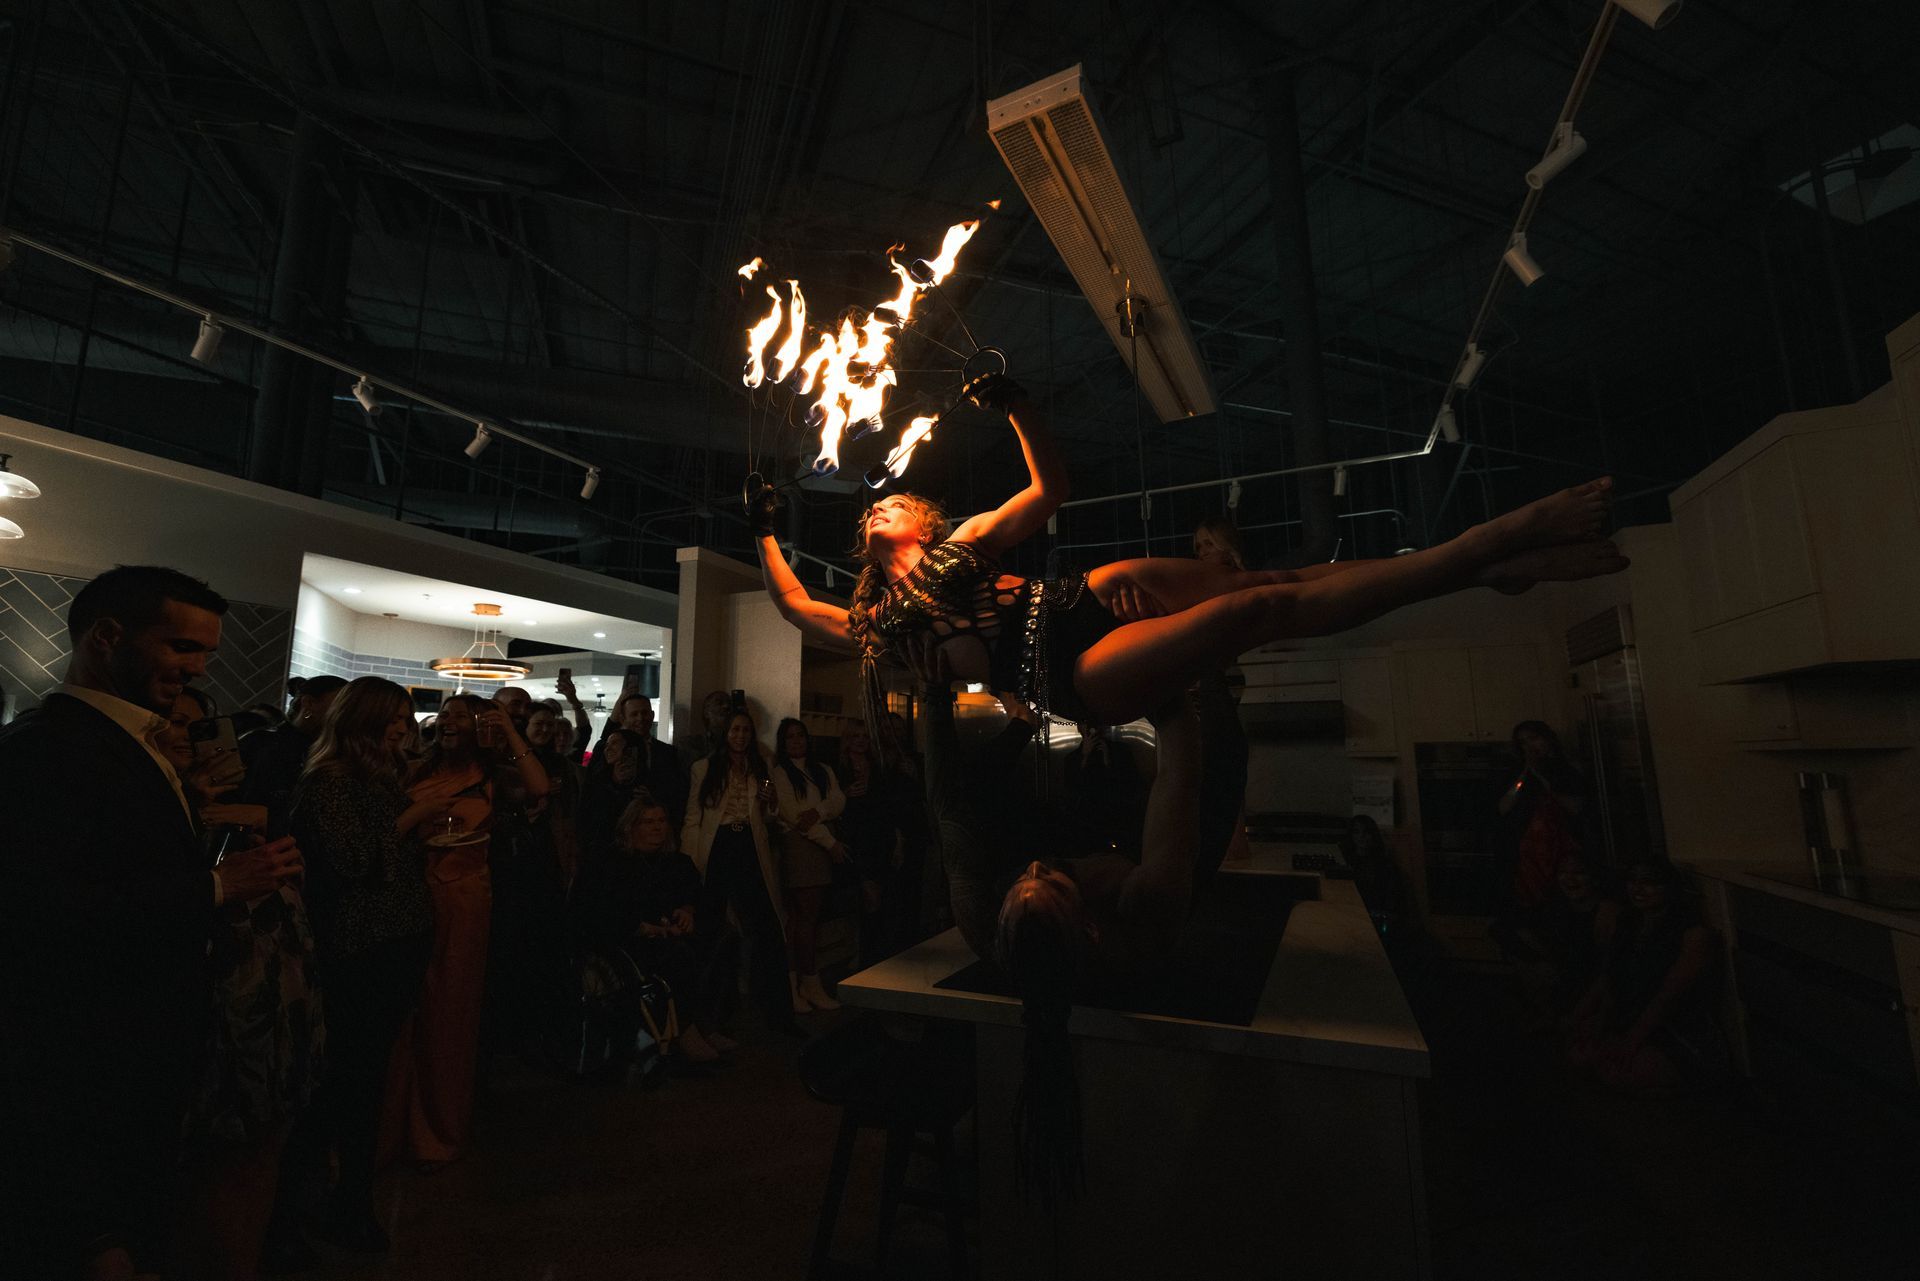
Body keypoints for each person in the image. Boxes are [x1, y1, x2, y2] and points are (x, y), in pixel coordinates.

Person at [751, 372, 1624, 759]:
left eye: (889, 503)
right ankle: (1482, 549)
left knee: (1271, 583)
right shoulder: (872, 624)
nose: (877, 508)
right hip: (1071, 669)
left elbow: (1049, 488)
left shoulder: (964, 541)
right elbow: (793, 605)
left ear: (922, 519)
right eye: (872, 509)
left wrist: (1016, 406)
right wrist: (761, 531)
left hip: (1080, 596)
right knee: (1257, 617)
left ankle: (1483, 566)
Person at [0, 565, 301, 1281]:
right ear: (106, 638)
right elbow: (38, 911)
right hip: (85, 1065)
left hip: (138, 1059)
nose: (196, 669)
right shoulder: (45, 747)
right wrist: (219, 883)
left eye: (206, 654)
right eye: (181, 648)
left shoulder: (132, 741)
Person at [157, 688, 325, 1281]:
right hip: (200, 985)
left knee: (252, 1139)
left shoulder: (230, 793)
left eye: (198, 726)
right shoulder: (151, 798)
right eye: (175, 722)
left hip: (258, 979)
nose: (186, 736)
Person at [280, 677, 433, 1256]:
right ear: (364, 720)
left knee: (363, 1081)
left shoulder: (376, 778)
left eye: (405, 717)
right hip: (361, 951)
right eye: (394, 718)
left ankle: (346, 1205)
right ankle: (310, 1216)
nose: (403, 727)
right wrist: (416, 815)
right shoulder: (330, 783)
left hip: (392, 947)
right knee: (344, 1083)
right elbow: (353, 861)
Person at [386, 693, 548, 1168]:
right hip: (411, 891)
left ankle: (436, 1128)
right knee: (403, 1011)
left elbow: (539, 788)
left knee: (449, 1012)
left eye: (466, 715)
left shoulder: (492, 776)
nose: (452, 720)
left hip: (465, 900)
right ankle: (388, 1127)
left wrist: (510, 732)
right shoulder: (413, 768)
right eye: (447, 714)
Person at [572, 796, 740, 1064]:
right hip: (631, 938)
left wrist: (688, 911)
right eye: (648, 822)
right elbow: (598, 910)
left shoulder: (676, 862)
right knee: (679, 955)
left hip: (672, 929)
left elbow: (697, 894)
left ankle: (709, 1022)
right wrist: (641, 927)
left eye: (661, 821)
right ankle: (686, 1030)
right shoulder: (613, 864)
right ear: (632, 827)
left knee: (724, 938)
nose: (657, 827)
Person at [681, 707, 799, 1034]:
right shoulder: (703, 768)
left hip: (748, 846)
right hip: (717, 848)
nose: (740, 736)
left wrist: (771, 802)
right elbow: (693, 818)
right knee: (712, 933)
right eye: (735, 730)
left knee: (768, 928)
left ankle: (778, 1016)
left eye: (745, 731)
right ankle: (710, 1017)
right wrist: (691, 861)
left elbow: (773, 817)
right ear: (725, 733)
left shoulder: (760, 765)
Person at [1569, 859, 1723, 1091]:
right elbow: (1612, 977)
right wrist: (1599, 1022)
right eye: (1633, 881)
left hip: (1676, 1026)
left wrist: (1632, 1039)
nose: (1637, 889)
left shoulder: (1693, 935)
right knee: (1581, 1054)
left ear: (1669, 888)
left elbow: (1668, 998)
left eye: (1649, 882)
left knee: (1617, 1071)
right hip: (1632, 1015)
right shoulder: (1629, 924)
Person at [770, 717, 849, 1013]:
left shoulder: (823, 770)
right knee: (802, 919)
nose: (796, 741)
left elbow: (838, 800)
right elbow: (793, 816)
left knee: (807, 919)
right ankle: (804, 983)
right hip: (802, 847)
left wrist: (818, 811)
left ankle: (802, 985)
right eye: (790, 737)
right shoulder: (780, 773)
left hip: (819, 843)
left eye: (800, 736)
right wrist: (829, 841)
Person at [237, 673, 347, 837]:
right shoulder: (262, 744)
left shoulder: (334, 753)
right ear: (309, 703)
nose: (346, 716)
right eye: (341, 706)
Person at [1496, 720, 1590, 912]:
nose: (1529, 746)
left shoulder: (1566, 771)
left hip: (1561, 851)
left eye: (1533, 739)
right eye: (1523, 742)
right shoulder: (1517, 773)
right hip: (1525, 854)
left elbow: (1576, 808)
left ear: (1547, 739)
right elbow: (1503, 807)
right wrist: (1525, 774)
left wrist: (1542, 779)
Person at [836, 725, 908, 967]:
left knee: (881, 894)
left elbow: (889, 807)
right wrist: (845, 794)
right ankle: (865, 955)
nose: (861, 740)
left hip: (879, 837)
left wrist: (897, 840)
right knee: (866, 895)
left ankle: (874, 953)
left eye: (865, 736)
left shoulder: (878, 768)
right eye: (855, 735)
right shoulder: (840, 769)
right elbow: (832, 804)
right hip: (856, 839)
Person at [605, 690, 691, 828]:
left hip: (658, 826)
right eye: (634, 714)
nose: (640, 718)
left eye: (644, 713)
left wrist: (655, 797)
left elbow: (679, 791)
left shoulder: (669, 753)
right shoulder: (610, 749)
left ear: (652, 715)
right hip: (617, 825)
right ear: (623, 719)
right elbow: (597, 789)